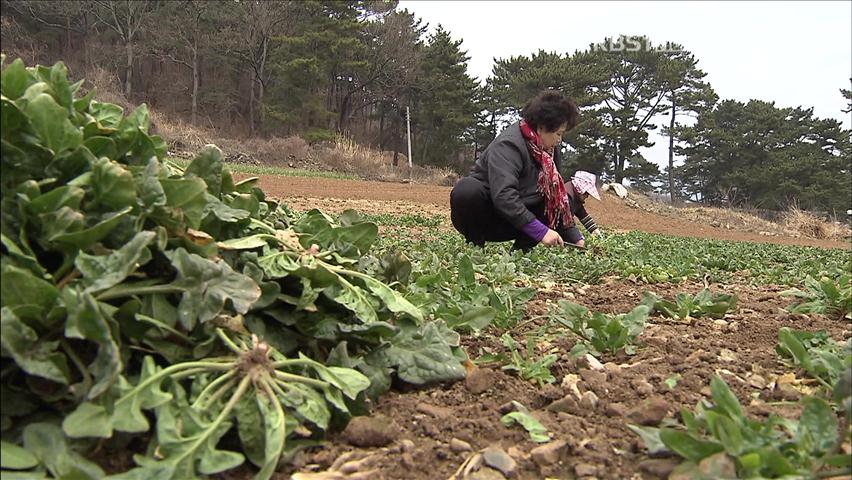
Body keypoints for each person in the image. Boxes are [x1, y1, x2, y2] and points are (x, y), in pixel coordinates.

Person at [450, 90, 603, 252]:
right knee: (466, 190)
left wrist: (576, 239)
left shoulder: (549, 151)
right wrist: (541, 231)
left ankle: (519, 253)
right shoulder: (509, 145)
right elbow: (503, 195)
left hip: (516, 222)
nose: (559, 140)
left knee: (547, 199)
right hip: (488, 217)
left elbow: (557, 200)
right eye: (558, 133)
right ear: (542, 127)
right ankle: (475, 246)